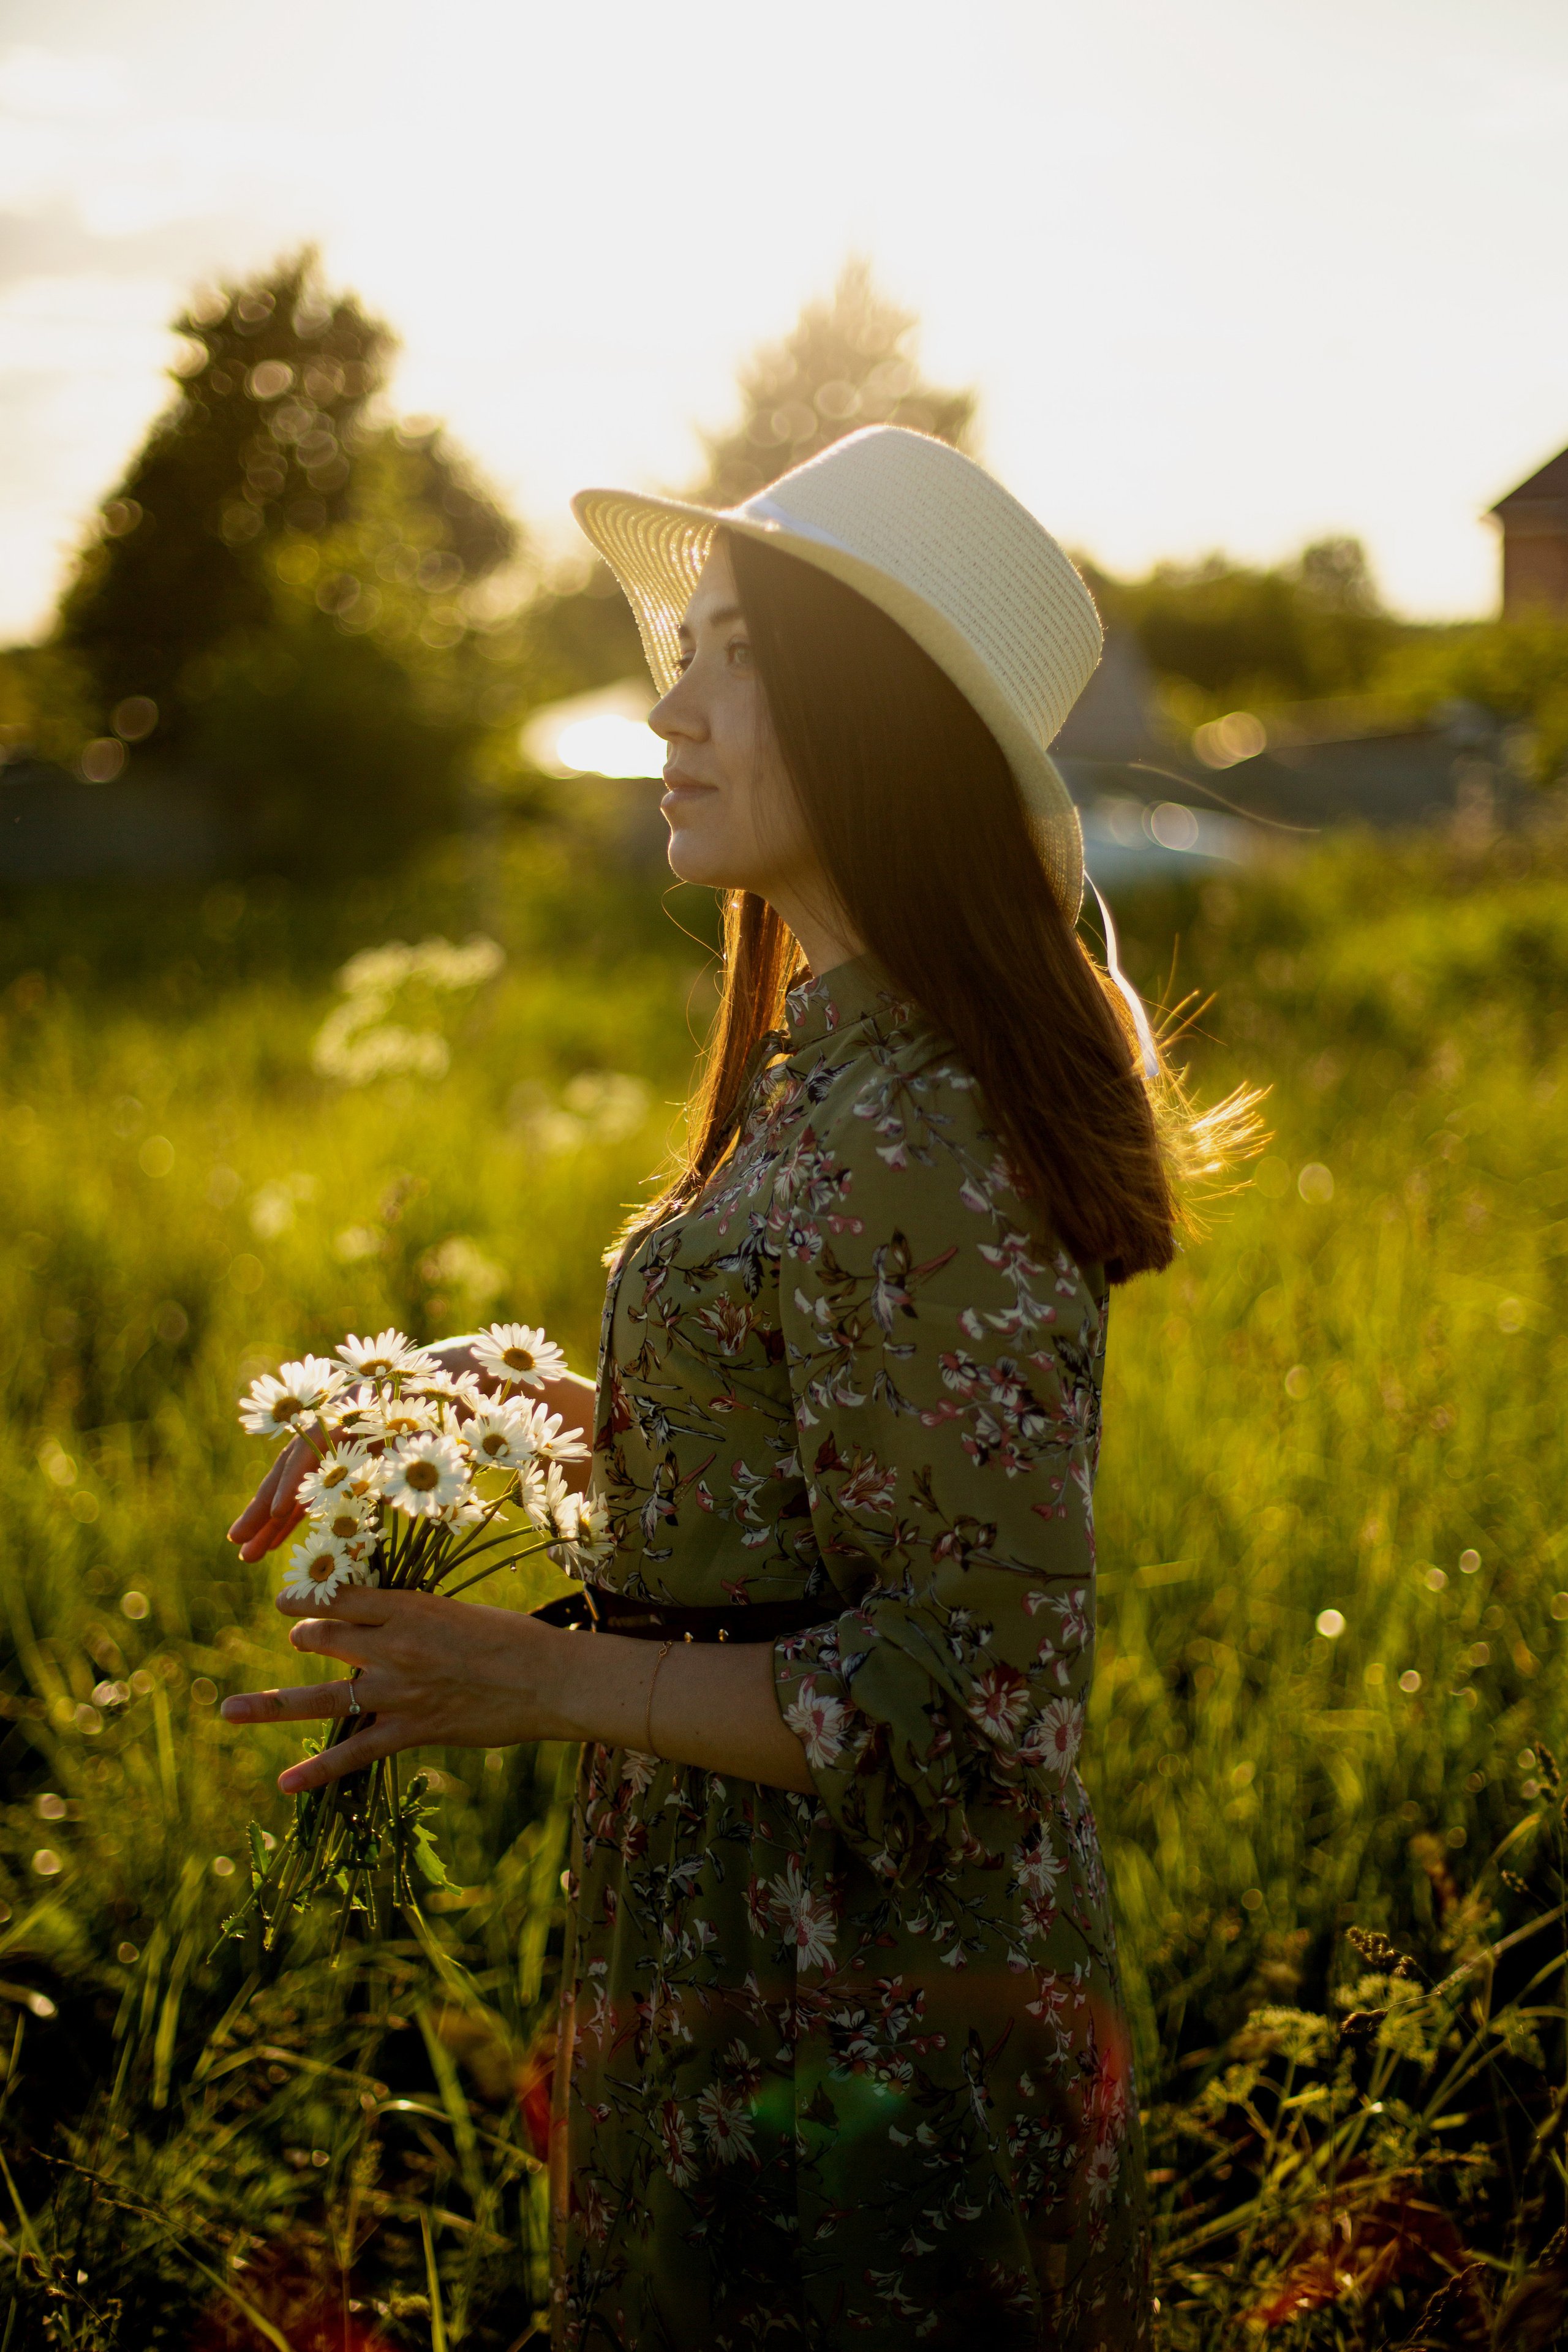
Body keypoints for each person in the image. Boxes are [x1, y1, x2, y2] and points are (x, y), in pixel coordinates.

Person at [225, 426, 1255, 2350]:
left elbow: (980, 1697)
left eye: (732, 659)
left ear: (883, 721)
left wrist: (532, 1675)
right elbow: (809, 1439)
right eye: (672, 658)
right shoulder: (835, 1061)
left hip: (872, 2009)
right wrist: (500, 1400)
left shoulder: (930, 1115)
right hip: (740, 1957)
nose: (669, 709)